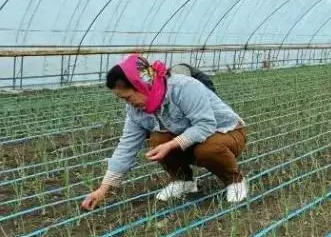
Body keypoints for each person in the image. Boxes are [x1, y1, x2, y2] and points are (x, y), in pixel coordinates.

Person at [81, 55, 248, 210]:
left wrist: (172, 144)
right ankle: (184, 182)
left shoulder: (183, 88)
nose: (128, 103)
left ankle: (234, 181)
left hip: (226, 132)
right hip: (191, 138)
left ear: (142, 85)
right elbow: (126, 147)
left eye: (128, 97)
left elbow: (205, 125)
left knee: (206, 150)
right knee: (158, 139)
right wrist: (103, 189)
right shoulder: (136, 111)